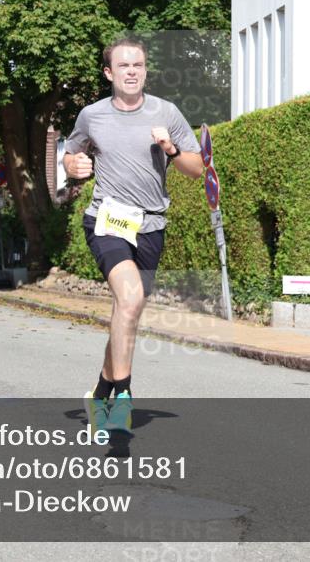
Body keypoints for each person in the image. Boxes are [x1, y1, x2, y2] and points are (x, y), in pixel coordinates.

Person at [63, 37, 203, 433]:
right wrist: (73, 166)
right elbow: (71, 153)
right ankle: (123, 392)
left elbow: (196, 169)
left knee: (127, 313)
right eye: (123, 66)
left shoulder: (166, 112)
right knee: (130, 297)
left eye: (138, 65)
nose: (131, 72)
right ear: (109, 73)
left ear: (145, 70)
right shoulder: (92, 115)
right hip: (107, 220)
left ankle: (101, 391)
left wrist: (171, 149)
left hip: (151, 225)